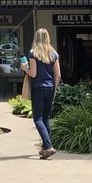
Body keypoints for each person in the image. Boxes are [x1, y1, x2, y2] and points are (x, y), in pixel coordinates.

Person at [20, 28, 61, 159]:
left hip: (38, 88)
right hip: (50, 88)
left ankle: (48, 147)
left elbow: (33, 73)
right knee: (46, 118)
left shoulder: (33, 53)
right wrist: (54, 88)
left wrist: (24, 68)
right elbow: (58, 75)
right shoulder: (53, 53)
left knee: (37, 119)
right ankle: (45, 148)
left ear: (36, 38)